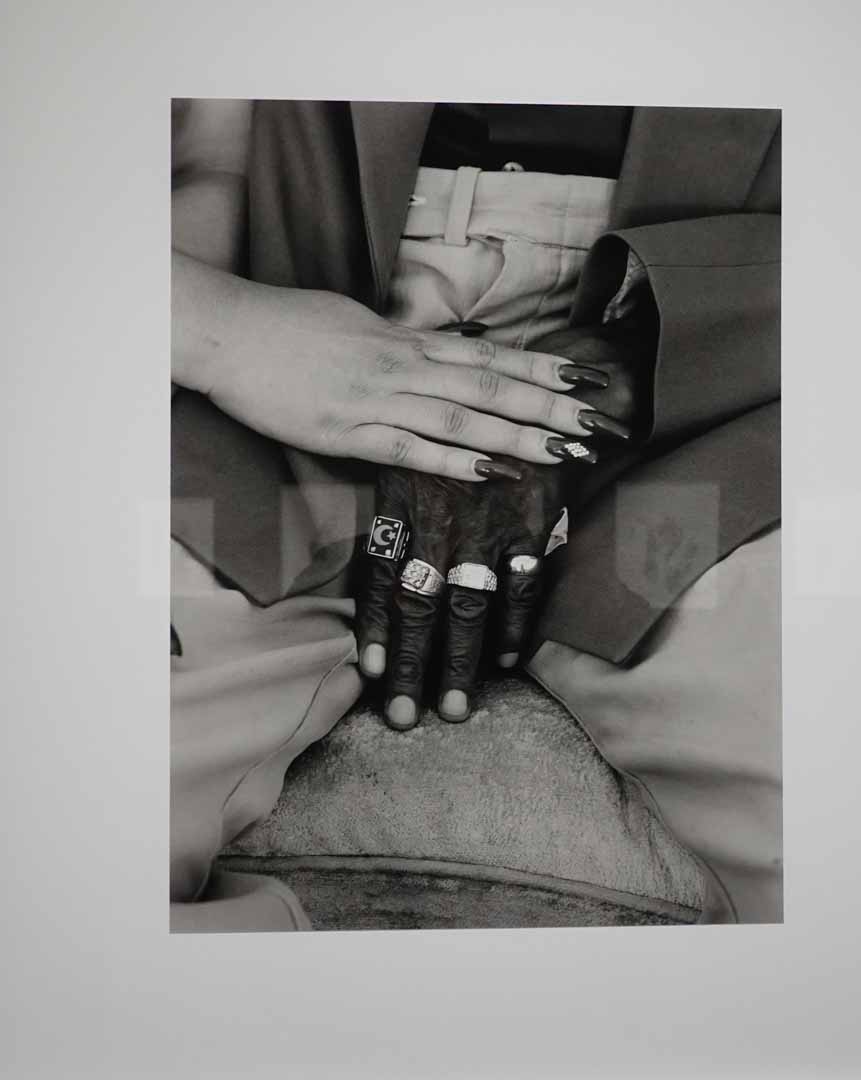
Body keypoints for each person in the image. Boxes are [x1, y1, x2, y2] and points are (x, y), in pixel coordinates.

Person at [170, 99, 781, 930]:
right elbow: (176, 172)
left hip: (708, 396)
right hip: (278, 350)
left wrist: (635, 361)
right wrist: (222, 329)